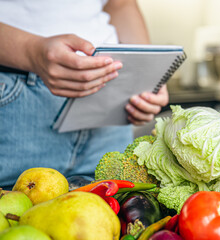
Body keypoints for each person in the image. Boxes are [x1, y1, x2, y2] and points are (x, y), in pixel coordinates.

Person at [0, 0, 169, 188]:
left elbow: (121, 4)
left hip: (112, 105)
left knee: (114, 212)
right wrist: (31, 52)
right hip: (16, 104)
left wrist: (147, 77)